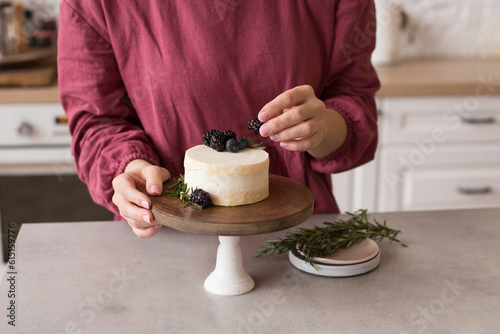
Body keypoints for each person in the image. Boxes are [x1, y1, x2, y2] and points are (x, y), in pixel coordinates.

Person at [58, 0, 380, 239]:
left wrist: (319, 128)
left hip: (297, 239)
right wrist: (131, 168)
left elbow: (354, 101)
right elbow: (97, 122)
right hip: (166, 236)